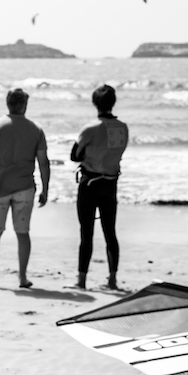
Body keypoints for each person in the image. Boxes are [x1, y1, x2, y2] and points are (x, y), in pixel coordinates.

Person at [0, 88, 50, 288]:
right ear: (24, 105)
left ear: (7, 104)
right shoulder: (35, 129)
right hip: (25, 188)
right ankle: (22, 278)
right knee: (23, 233)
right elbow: (43, 162)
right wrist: (45, 189)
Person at [71, 84, 129, 290]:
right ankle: (112, 280)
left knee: (86, 233)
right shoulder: (122, 127)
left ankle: (81, 280)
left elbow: (74, 155)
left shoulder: (90, 128)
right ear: (113, 103)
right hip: (110, 184)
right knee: (110, 233)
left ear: (94, 103)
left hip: (90, 183)